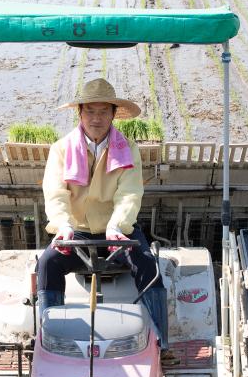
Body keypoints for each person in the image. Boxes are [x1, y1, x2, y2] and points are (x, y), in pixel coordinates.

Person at [36, 78, 173, 357]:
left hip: (116, 230)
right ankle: (50, 339)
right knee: (48, 263)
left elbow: (130, 193)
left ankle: (160, 341)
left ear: (113, 114)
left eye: (103, 112)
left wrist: (117, 226)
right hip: (76, 230)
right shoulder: (61, 149)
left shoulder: (127, 149)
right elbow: (55, 193)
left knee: (147, 264)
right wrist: (63, 226)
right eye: (90, 111)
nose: (96, 119)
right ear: (80, 113)